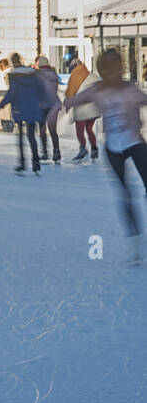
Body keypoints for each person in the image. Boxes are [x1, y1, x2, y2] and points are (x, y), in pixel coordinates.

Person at [63, 49, 147, 262]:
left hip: (136, 143)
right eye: (109, 69)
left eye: (118, 67)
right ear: (103, 70)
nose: (115, 72)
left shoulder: (131, 90)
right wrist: (58, 107)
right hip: (113, 148)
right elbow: (72, 100)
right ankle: (135, 245)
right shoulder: (97, 90)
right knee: (126, 195)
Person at [0, 53, 44, 175]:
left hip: (20, 108)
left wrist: (0, 106)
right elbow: (40, 89)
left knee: (21, 137)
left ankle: (22, 163)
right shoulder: (33, 73)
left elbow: (12, 93)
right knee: (31, 136)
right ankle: (36, 163)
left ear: (12, 62)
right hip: (32, 107)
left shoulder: (14, 75)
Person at [66, 56, 100, 163]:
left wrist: (67, 103)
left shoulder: (74, 76)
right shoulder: (92, 75)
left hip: (82, 108)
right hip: (94, 107)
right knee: (89, 129)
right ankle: (94, 149)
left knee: (79, 130)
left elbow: (70, 94)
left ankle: (83, 149)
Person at [35, 55, 62, 164]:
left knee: (42, 130)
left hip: (42, 105)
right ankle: (56, 152)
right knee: (52, 130)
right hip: (54, 104)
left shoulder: (37, 75)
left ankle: (45, 152)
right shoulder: (54, 74)